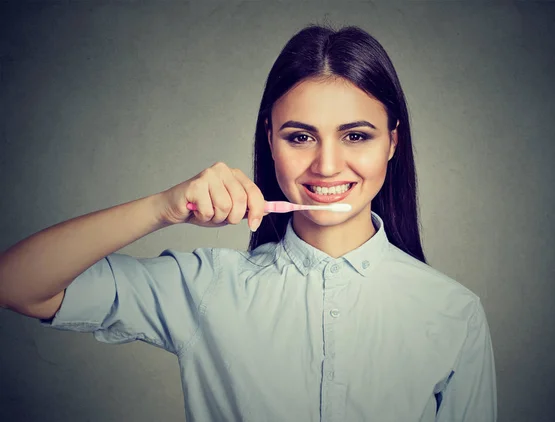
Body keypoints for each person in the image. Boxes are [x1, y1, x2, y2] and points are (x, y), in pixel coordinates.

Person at [0, 24, 497, 422]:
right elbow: (17, 284)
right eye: (300, 137)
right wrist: (163, 207)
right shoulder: (206, 287)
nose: (326, 165)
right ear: (270, 140)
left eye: (356, 136)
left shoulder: (454, 314)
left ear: (392, 142)